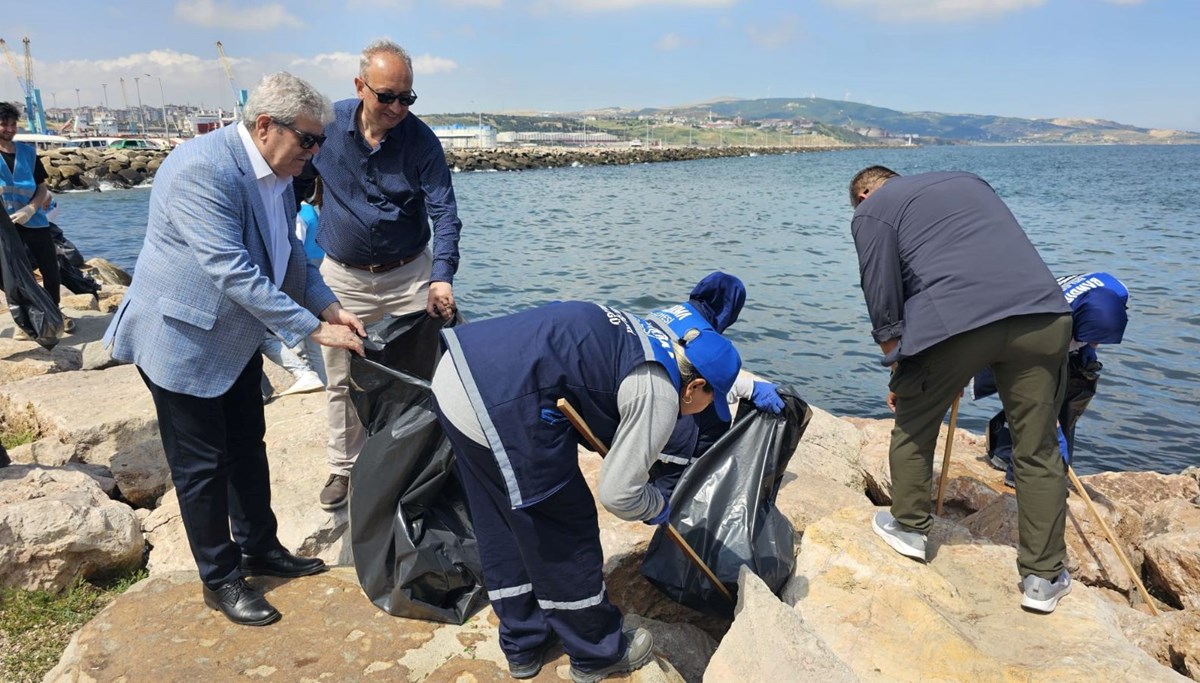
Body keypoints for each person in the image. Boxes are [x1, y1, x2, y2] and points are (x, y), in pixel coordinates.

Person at [102, 73, 366, 627]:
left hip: (236, 336)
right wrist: (311, 330)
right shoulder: (204, 168)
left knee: (248, 446)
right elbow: (231, 269)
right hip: (181, 337)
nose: (316, 153)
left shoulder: (280, 172)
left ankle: (261, 549)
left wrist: (328, 307)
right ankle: (219, 578)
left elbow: (290, 258)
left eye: (321, 142)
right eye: (309, 140)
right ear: (266, 125)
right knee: (200, 465)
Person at [430, 299, 742, 682]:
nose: (705, 410)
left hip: (459, 377)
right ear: (694, 385)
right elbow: (618, 494)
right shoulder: (661, 393)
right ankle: (597, 652)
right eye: (711, 401)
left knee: (504, 521)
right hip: (503, 402)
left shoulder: (653, 339)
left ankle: (524, 643)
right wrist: (654, 503)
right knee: (565, 526)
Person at [849, 166, 1074, 614]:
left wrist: (901, 366)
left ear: (866, 191)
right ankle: (1042, 578)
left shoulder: (872, 209)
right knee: (1038, 449)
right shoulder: (968, 181)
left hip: (954, 323)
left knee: (913, 425)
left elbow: (881, 291)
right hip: (1044, 315)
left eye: (857, 202)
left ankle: (909, 528)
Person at [311, 39, 463, 511]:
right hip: (342, 275)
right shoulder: (326, 126)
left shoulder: (421, 141)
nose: (398, 107)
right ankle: (344, 467)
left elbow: (445, 212)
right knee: (340, 377)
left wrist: (442, 276)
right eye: (387, 96)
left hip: (409, 275)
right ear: (360, 87)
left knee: (424, 374)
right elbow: (287, 177)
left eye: (407, 98)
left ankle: (422, 460)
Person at [980, 272, 1130, 485]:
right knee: (1035, 408)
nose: (1096, 342)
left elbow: (1099, 321)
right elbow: (1032, 389)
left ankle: (1050, 463)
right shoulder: (1046, 329)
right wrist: (1051, 426)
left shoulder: (1117, 289)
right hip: (1013, 339)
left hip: (1061, 325)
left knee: (1066, 396)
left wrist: (1089, 346)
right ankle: (1018, 466)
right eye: (1088, 337)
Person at [645, 271, 785, 500]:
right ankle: (671, 487)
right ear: (730, 310)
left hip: (641, 396)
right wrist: (752, 388)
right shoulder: (702, 334)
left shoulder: (668, 314)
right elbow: (703, 381)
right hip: (667, 409)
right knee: (715, 421)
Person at [0, 102, 71, 333]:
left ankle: (53, 314)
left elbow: (42, 187)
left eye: (13, 124)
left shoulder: (28, 153)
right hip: (5, 226)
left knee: (50, 270)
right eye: (4, 124)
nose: (10, 129)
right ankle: (28, 320)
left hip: (34, 221)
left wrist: (31, 208)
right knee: (12, 275)